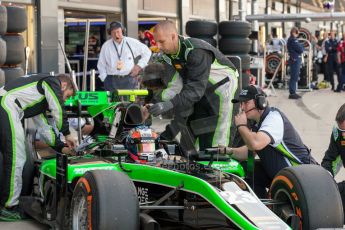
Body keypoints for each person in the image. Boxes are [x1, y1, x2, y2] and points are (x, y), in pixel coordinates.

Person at [148, 20, 239, 150]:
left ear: (173, 36)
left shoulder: (196, 50)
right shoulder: (168, 56)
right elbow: (172, 86)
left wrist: (169, 104)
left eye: (161, 41)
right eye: (156, 42)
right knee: (197, 131)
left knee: (220, 136)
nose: (158, 46)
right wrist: (153, 104)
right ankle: (198, 162)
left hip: (224, 88)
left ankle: (219, 165)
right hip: (201, 89)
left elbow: (195, 89)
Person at [0, 73, 77, 221]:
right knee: (17, 157)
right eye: (66, 96)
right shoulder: (51, 81)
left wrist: (62, 148)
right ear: (64, 86)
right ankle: (8, 207)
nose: (65, 100)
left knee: (13, 157)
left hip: (5, 103)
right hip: (6, 105)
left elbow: (45, 129)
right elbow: (58, 109)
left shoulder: (38, 97)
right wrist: (67, 133)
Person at [221, 85, 316, 198]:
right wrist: (227, 151)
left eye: (246, 103)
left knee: (251, 169)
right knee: (248, 169)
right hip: (286, 175)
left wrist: (241, 126)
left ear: (260, 102)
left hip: (302, 179)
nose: (242, 107)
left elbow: (255, 143)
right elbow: (249, 151)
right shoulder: (257, 123)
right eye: (241, 103)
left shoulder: (273, 118)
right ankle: (261, 208)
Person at [97, 21, 151, 91]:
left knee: (129, 101)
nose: (116, 35)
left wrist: (139, 66)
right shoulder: (106, 46)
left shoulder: (131, 42)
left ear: (122, 31)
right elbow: (101, 64)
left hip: (129, 79)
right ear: (110, 33)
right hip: (111, 80)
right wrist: (104, 79)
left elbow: (147, 52)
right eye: (113, 32)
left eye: (118, 32)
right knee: (113, 101)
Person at [321, 103, 345, 218]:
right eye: (342, 130)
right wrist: (326, 179)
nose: (344, 134)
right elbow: (330, 158)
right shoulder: (338, 133)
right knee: (328, 197)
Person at [287, 27, 304, 99]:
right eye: (297, 33)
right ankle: (292, 93)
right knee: (294, 77)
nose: (297, 35)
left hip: (295, 59)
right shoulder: (293, 40)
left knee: (295, 76)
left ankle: (293, 92)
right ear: (294, 32)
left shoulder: (292, 40)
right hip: (295, 60)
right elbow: (301, 49)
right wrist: (301, 46)